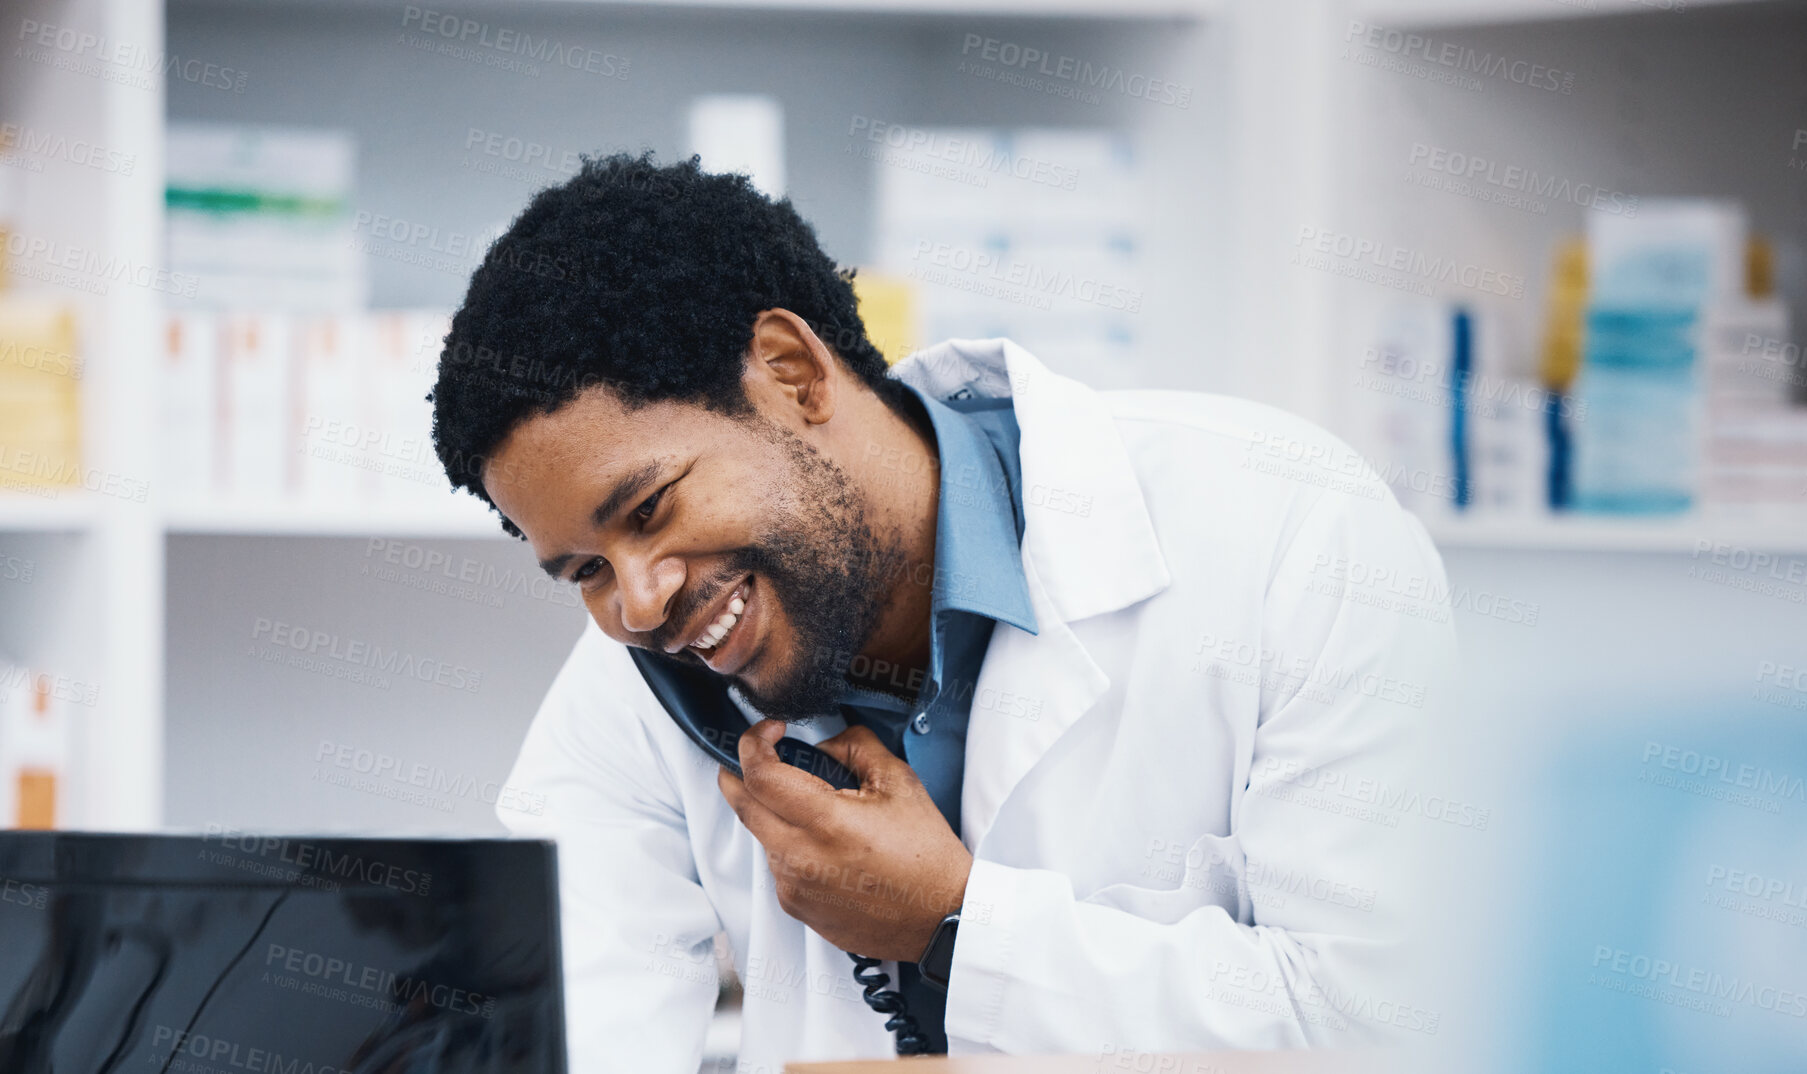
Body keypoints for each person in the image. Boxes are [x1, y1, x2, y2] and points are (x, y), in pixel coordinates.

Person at [428, 152, 1457, 1074]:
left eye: (650, 508)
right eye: (584, 572)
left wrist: (958, 924)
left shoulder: (1293, 532)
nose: (640, 602)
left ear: (791, 373)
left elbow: (1388, 1022)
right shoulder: (637, 687)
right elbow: (570, 1032)